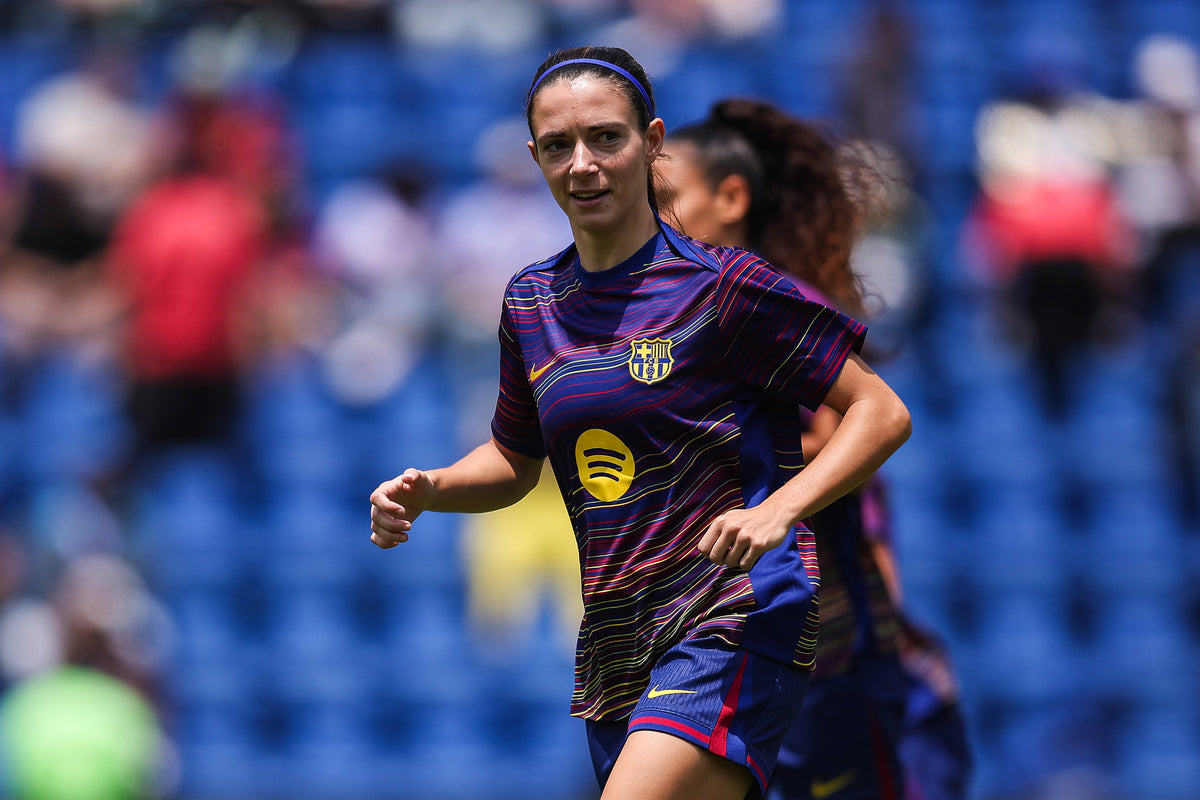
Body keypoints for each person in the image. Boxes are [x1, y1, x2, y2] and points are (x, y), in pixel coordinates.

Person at [369, 46, 912, 800]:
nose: (582, 163)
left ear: (652, 142)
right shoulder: (531, 303)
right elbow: (514, 458)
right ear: (535, 156)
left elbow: (880, 411)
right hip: (619, 642)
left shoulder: (723, 287)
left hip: (733, 613)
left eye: (606, 138)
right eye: (558, 146)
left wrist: (779, 511)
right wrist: (432, 487)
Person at [659, 98, 970, 800]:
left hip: (836, 660)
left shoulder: (769, 303)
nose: (651, 218)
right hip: (762, 651)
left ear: (731, 198)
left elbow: (841, 430)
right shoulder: (672, 311)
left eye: (666, 198)